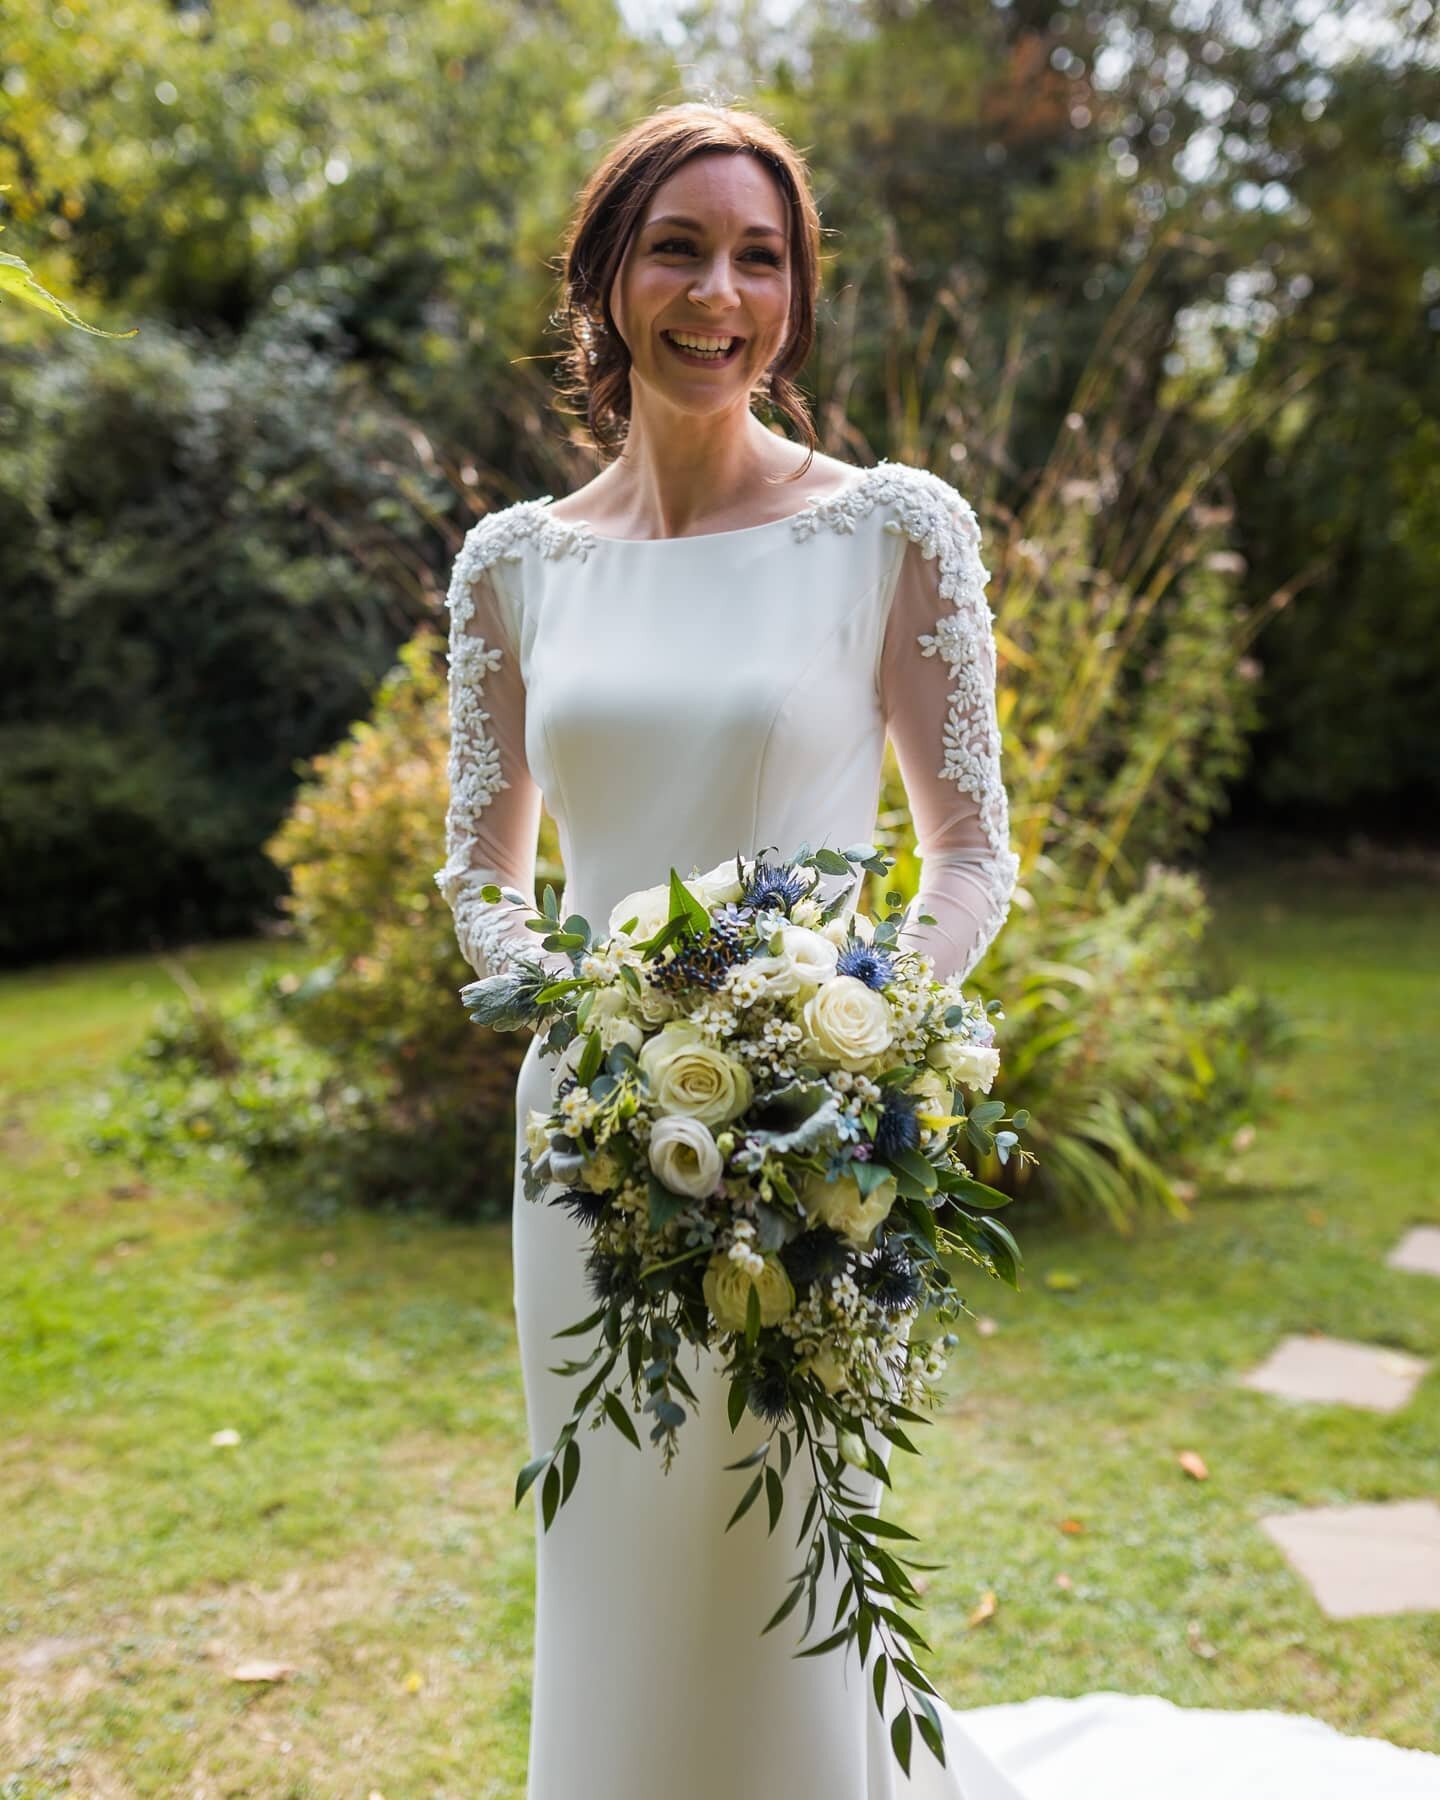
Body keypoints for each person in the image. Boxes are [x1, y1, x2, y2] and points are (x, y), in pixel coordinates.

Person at [435, 103, 1440, 1800]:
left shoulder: (893, 527)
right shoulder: (513, 568)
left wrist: (847, 1036)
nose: (718, 293)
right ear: (606, 276)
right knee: (609, 1543)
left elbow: (973, 855)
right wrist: (585, 1020)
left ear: (800, 298)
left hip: (808, 1150)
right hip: (584, 1151)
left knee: (777, 1555)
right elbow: (480, 877)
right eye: (677, 247)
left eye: (762, 257)